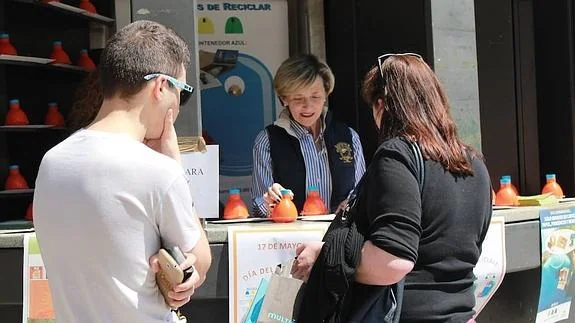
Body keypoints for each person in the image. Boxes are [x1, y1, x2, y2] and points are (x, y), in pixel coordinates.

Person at [33, 20, 212, 322]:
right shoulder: (158, 171)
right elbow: (201, 261)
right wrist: (175, 166)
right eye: (182, 91)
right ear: (160, 87)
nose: (179, 107)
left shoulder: (52, 161)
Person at [293, 53, 492, 323]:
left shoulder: (398, 155)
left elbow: (393, 260)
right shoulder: (474, 163)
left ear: (382, 104)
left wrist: (324, 257)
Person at [251, 54, 366, 217]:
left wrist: (352, 204)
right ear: (284, 98)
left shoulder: (348, 136)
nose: (308, 106)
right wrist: (268, 201)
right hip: (290, 240)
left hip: (339, 237)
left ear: (326, 94)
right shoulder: (267, 141)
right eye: (298, 98)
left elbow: (362, 193)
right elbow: (258, 209)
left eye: (315, 96)